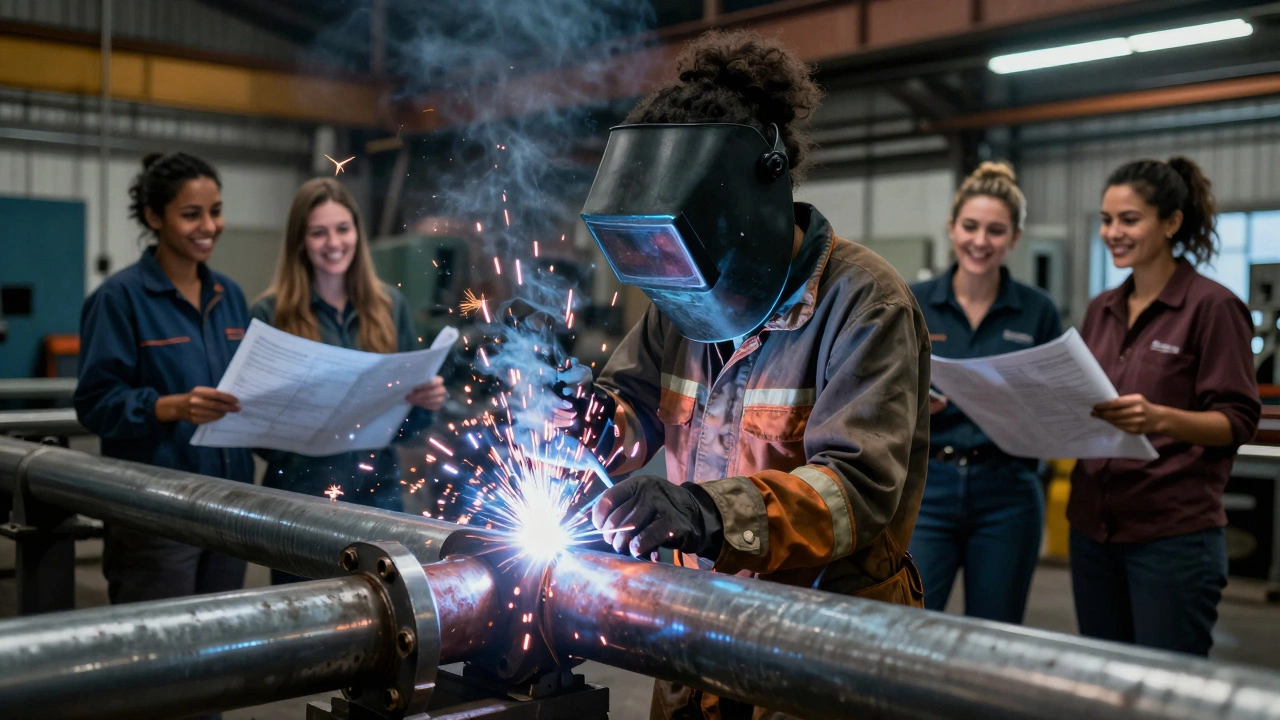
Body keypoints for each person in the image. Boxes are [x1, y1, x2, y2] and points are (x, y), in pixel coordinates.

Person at [569, 30, 930, 720]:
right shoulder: (679, 295)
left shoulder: (866, 305)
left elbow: (855, 491)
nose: (687, 295)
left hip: (819, 647)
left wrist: (704, 513)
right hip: (694, 631)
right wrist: (588, 417)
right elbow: (632, 405)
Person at [1070, 157, 1261, 656]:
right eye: (1107, 220)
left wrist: (1160, 418)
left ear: (1171, 222)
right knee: (1102, 681)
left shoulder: (1213, 308)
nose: (1113, 232)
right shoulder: (1102, 308)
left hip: (1171, 537)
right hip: (1093, 530)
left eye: (1129, 219)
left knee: (1166, 693)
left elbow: (1239, 420)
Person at [75, 152, 252, 605]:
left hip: (230, 507)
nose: (209, 227)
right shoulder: (119, 298)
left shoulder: (227, 294)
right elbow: (96, 403)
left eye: (215, 212)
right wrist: (172, 406)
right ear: (154, 217)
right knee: (160, 654)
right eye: (191, 215)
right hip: (156, 514)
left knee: (227, 648)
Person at [252, 178, 446, 582]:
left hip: (379, 495)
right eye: (318, 232)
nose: (333, 242)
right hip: (300, 503)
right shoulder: (270, 316)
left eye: (343, 229)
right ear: (299, 241)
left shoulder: (390, 308)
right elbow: (257, 434)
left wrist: (424, 402)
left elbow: (411, 429)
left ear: (358, 233)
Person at [908, 162, 1062, 623]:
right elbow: (882, 388)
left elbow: (1055, 402)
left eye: (996, 230)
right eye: (970, 226)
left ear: (1015, 238)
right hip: (928, 487)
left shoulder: (1037, 311)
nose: (980, 240)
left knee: (996, 631)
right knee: (910, 620)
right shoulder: (911, 300)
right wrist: (918, 404)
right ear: (952, 229)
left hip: (1008, 492)